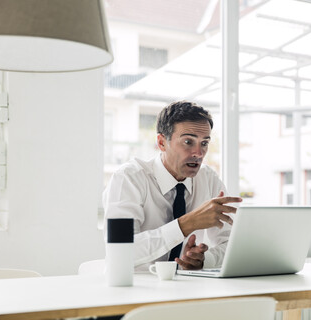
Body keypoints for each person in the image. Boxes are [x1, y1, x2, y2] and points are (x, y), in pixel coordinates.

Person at [103, 100, 242, 271]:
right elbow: (120, 250)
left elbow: (231, 243)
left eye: (204, 143)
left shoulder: (209, 179)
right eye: (188, 142)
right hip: (136, 288)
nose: (198, 153)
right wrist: (185, 225)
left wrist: (205, 259)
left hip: (187, 287)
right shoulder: (129, 178)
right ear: (162, 142)